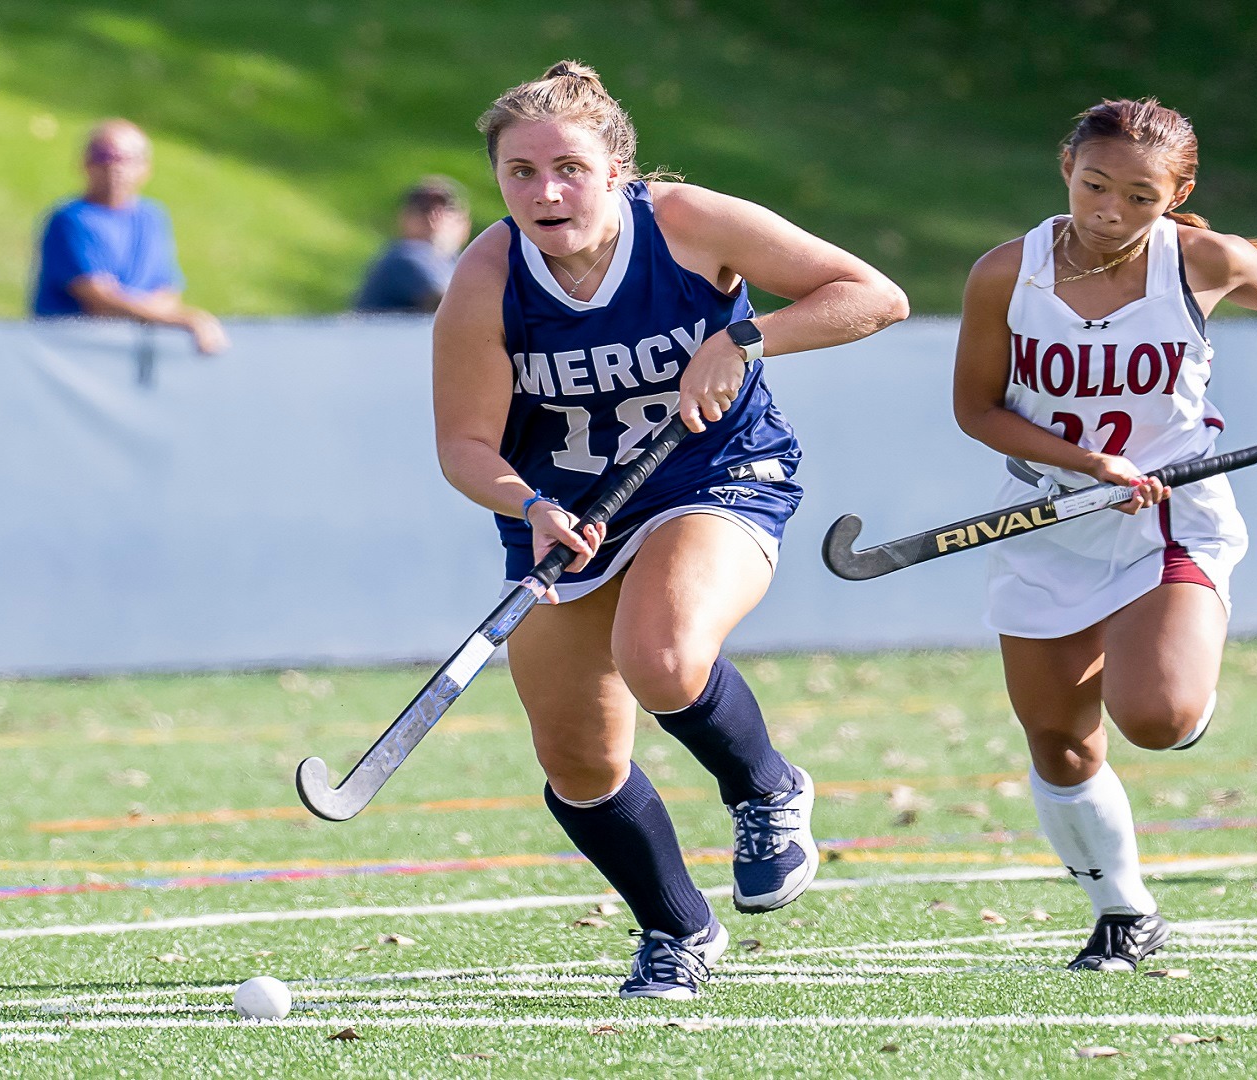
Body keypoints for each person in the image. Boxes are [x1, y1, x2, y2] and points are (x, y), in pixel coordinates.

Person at [432, 61, 907, 999]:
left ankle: (766, 788)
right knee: (577, 760)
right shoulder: (486, 279)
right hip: (569, 515)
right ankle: (676, 929)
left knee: (661, 654)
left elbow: (872, 297)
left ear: (618, 170)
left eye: (567, 166)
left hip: (715, 474)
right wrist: (529, 507)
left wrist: (740, 339)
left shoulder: (688, 224)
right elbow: (464, 444)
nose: (545, 191)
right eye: (520, 173)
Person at [951, 98, 1257, 973]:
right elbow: (976, 410)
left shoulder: (1204, 259)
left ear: (1178, 195)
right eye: (1095, 186)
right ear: (1066, 169)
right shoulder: (1004, 273)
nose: (1109, 213)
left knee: (1159, 719)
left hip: (1168, 515)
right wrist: (1086, 465)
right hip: (1051, 520)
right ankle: (1124, 911)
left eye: (1138, 197)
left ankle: (1182, 678)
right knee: (1058, 741)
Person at [30, 119, 228, 355]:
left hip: (132, 353)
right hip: (71, 355)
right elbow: (100, 301)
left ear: (145, 167)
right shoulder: (71, 220)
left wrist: (171, 315)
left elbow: (168, 291)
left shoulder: (151, 217)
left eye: (126, 159)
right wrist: (184, 320)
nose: (115, 167)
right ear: (85, 163)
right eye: (104, 157)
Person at [353, 177, 472, 313]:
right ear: (403, 218)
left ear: (465, 223)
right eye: (423, 207)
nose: (434, 215)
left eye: (447, 208)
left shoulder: (455, 262)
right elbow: (452, 303)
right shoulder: (405, 257)